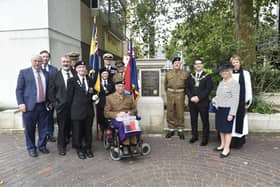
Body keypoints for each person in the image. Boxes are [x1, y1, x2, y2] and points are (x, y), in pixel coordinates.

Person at [16, 54, 50, 157]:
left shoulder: (46, 74)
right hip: (29, 106)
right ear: (31, 61)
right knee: (30, 129)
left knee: (43, 128)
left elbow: (49, 89)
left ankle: (42, 146)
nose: (37, 63)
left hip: (43, 105)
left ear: (42, 62)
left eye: (39, 61)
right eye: (35, 61)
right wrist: (21, 103)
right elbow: (19, 90)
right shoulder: (24, 73)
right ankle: (31, 148)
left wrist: (50, 102)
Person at [67, 61, 97, 159]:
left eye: (83, 67)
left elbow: (92, 92)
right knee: (77, 131)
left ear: (86, 69)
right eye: (79, 67)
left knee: (88, 131)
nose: (82, 69)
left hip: (88, 111)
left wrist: (95, 96)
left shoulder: (90, 80)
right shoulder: (71, 81)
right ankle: (79, 149)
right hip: (77, 111)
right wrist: (70, 111)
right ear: (76, 69)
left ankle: (88, 148)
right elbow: (69, 97)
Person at [212, 64, 240, 158]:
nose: (224, 73)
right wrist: (215, 99)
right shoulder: (221, 82)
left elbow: (235, 99)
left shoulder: (234, 83)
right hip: (220, 108)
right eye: (222, 72)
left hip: (228, 109)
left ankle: (227, 149)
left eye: (226, 71)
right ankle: (222, 145)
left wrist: (231, 114)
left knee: (227, 130)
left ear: (230, 71)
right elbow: (219, 95)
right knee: (221, 128)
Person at [48, 56, 73, 156]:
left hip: (73, 106)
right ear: (61, 62)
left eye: (67, 61)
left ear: (70, 62)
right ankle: (61, 146)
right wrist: (55, 104)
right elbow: (51, 92)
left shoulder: (74, 74)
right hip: (61, 106)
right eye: (64, 61)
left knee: (72, 126)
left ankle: (73, 142)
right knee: (62, 127)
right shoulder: (55, 75)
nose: (66, 63)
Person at [104, 80, 137, 154]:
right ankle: (125, 145)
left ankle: (133, 144)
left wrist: (130, 112)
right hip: (117, 119)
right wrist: (117, 114)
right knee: (124, 124)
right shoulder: (109, 98)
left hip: (128, 117)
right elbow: (106, 112)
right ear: (115, 87)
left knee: (133, 123)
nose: (121, 88)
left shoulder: (129, 97)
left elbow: (134, 109)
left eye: (122, 86)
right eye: (119, 86)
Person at [186, 58, 212, 145]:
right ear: (194, 66)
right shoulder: (190, 76)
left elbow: (208, 89)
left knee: (205, 121)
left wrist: (199, 97)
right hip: (192, 102)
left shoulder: (207, 76)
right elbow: (187, 88)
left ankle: (205, 139)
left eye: (200, 63)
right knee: (193, 120)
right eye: (196, 64)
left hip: (203, 103)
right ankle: (194, 136)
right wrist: (191, 97)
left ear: (203, 65)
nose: (198, 65)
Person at [230, 55, 253, 148]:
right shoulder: (228, 73)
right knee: (230, 122)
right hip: (230, 102)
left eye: (237, 62)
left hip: (241, 102)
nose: (235, 64)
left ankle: (238, 142)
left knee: (239, 121)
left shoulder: (245, 73)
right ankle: (229, 142)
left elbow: (248, 88)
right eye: (233, 62)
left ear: (240, 63)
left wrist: (247, 102)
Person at [164, 57, 188, 139]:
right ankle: (171, 129)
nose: (177, 64)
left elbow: (187, 85)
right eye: (175, 63)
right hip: (170, 94)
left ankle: (180, 130)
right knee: (170, 112)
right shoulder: (168, 73)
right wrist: (168, 93)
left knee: (180, 112)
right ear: (173, 64)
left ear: (180, 64)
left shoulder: (185, 73)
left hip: (180, 94)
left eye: (178, 63)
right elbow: (165, 85)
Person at [40, 50, 58, 142]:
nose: (45, 58)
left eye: (47, 56)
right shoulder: (37, 69)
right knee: (41, 118)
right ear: (40, 57)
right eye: (43, 56)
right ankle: (43, 135)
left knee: (50, 117)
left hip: (50, 98)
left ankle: (50, 134)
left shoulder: (54, 69)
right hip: (40, 99)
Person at [97, 68, 115, 140]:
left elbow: (114, 92)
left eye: (106, 73)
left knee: (109, 120)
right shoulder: (97, 83)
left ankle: (109, 134)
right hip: (100, 105)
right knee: (101, 120)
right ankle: (103, 133)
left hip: (109, 105)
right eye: (104, 73)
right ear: (101, 75)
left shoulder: (111, 82)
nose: (105, 75)